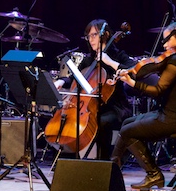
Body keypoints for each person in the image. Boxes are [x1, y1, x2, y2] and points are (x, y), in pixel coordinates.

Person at [113, 21, 176, 190]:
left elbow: (157, 90)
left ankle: (152, 174)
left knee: (127, 131)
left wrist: (133, 83)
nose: (164, 44)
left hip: (175, 118)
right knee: (127, 123)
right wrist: (134, 71)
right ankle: (113, 172)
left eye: (167, 39)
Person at [53, 19, 135, 160]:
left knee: (101, 122)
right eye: (88, 36)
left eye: (94, 35)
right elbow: (75, 80)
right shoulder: (88, 60)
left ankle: (104, 162)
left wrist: (109, 62)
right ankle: (70, 158)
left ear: (106, 35)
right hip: (91, 107)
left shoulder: (118, 55)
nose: (90, 39)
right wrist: (61, 80)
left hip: (115, 107)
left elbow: (133, 70)